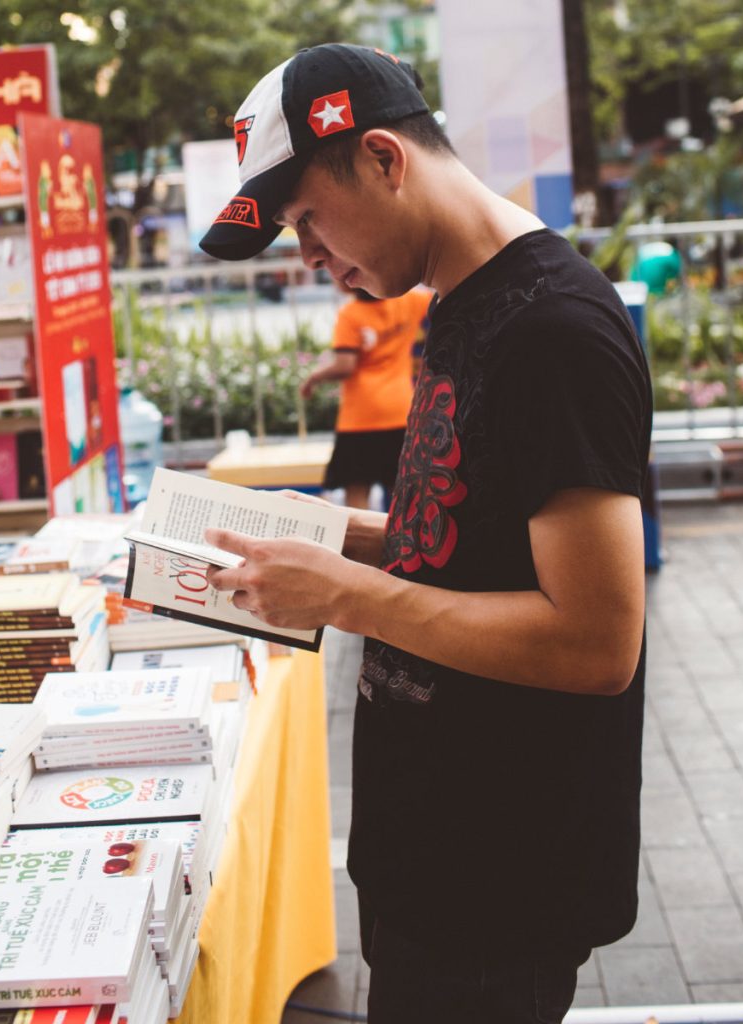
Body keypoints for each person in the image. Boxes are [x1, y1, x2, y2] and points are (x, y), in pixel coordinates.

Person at [199, 44, 651, 1021]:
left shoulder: (555, 330)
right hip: (430, 852)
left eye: (308, 220)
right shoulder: (457, 300)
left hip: (500, 878)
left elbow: (596, 641)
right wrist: (324, 536)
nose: (309, 257)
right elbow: (457, 531)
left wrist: (343, 592)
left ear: (381, 158)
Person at [301, 284, 430, 509]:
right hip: (400, 412)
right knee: (401, 491)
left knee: (357, 491)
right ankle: (401, 543)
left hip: (360, 417)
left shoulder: (350, 314)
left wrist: (314, 378)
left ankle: (359, 543)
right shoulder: (409, 302)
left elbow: (344, 366)